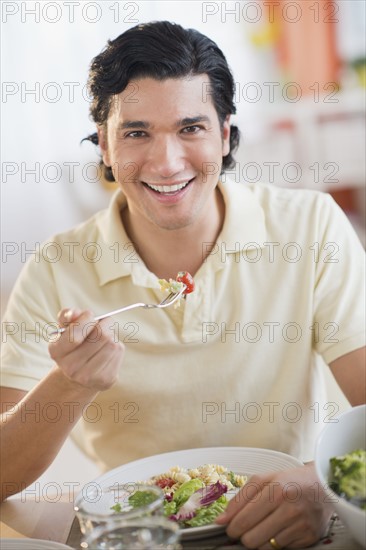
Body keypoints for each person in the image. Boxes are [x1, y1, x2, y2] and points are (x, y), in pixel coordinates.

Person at [1, 20, 365, 549]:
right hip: (138, 535)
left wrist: (318, 483)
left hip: (287, 528)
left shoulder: (310, 228)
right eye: (136, 132)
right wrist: (70, 383)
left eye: (190, 128)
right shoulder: (55, 268)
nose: (166, 163)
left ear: (225, 133)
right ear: (104, 145)